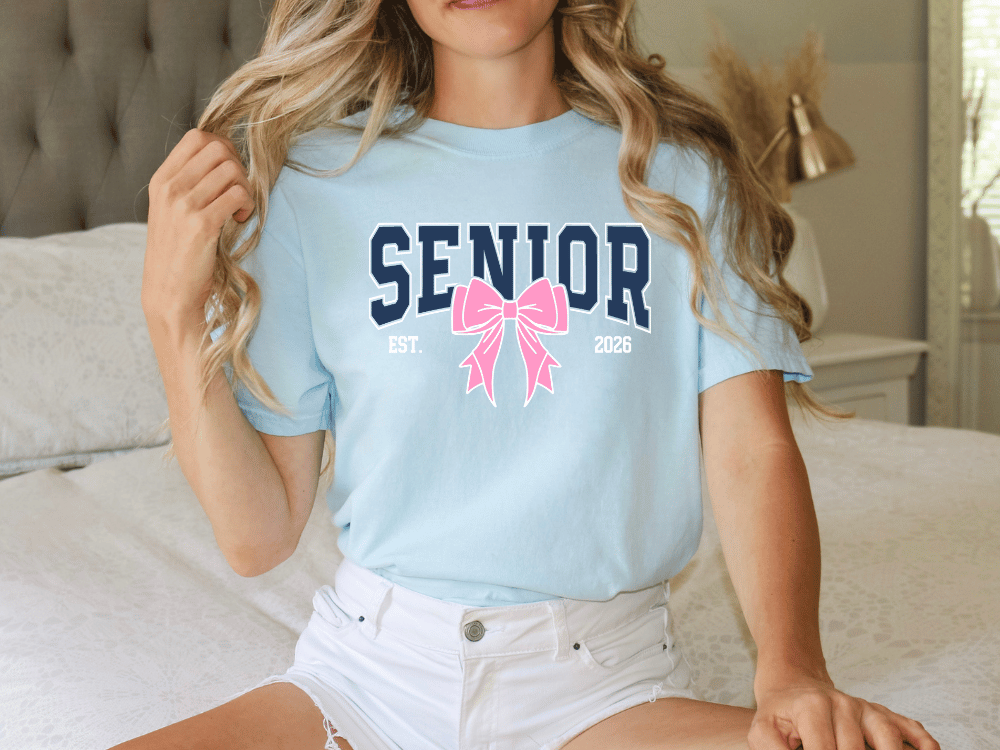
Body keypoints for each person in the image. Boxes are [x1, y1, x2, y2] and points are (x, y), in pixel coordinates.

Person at [128, 0, 941, 748]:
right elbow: (257, 536)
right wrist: (172, 312)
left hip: (606, 688)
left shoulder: (684, 179)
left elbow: (752, 453)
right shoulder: (314, 184)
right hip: (367, 679)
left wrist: (793, 671)